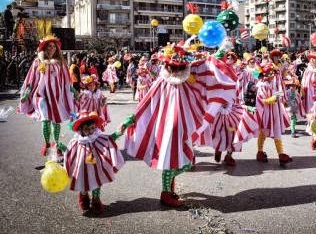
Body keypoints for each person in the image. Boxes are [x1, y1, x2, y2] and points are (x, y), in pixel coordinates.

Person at [125, 44, 237, 208]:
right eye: (172, 67)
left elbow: (205, 64)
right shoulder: (162, 80)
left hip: (182, 125)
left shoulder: (188, 76)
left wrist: (222, 50)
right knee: (171, 161)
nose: (175, 71)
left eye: (179, 68)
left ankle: (168, 189)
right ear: (167, 66)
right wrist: (135, 117)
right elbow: (148, 99)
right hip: (167, 127)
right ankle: (165, 193)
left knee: (180, 162)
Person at [57, 111, 134, 214]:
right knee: (83, 185)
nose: (90, 131)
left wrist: (125, 125)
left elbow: (112, 138)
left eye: (92, 128)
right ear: (80, 130)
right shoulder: (76, 141)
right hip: (82, 169)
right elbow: (70, 152)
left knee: (97, 183)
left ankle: (96, 201)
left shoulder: (98, 137)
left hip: (96, 168)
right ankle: (83, 197)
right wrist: (62, 148)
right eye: (86, 129)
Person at [18, 35, 75, 156]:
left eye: (54, 46)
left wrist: (75, 92)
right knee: (45, 120)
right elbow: (31, 79)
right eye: (49, 46)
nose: (52, 48)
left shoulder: (61, 62)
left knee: (56, 121)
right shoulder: (38, 61)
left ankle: (57, 143)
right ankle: (47, 144)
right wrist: (26, 94)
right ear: (44, 47)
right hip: (41, 96)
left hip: (56, 97)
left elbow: (67, 81)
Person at [254, 62, 292, 166]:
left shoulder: (274, 83)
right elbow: (262, 100)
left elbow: (279, 93)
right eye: (268, 73)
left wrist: (278, 96)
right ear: (263, 75)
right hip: (266, 113)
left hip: (275, 111)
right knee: (264, 132)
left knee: (277, 132)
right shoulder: (262, 86)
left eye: (271, 73)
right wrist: (272, 99)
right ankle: (260, 152)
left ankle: (281, 155)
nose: (270, 75)